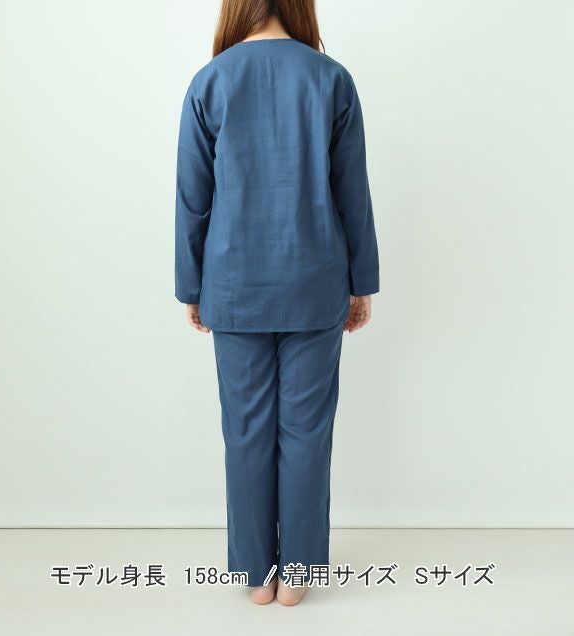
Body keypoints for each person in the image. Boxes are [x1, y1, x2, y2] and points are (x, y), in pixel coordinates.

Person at [174, 0, 379, 606]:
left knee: (245, 432)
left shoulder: (210, 81)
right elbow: (353, 192)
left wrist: (191, 286)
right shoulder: (330, 79)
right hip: (315, 281)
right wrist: (362, 282)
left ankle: (255, 575)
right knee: (307, 433)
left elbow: (192, 198)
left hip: (234, 284)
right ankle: (299, 574)